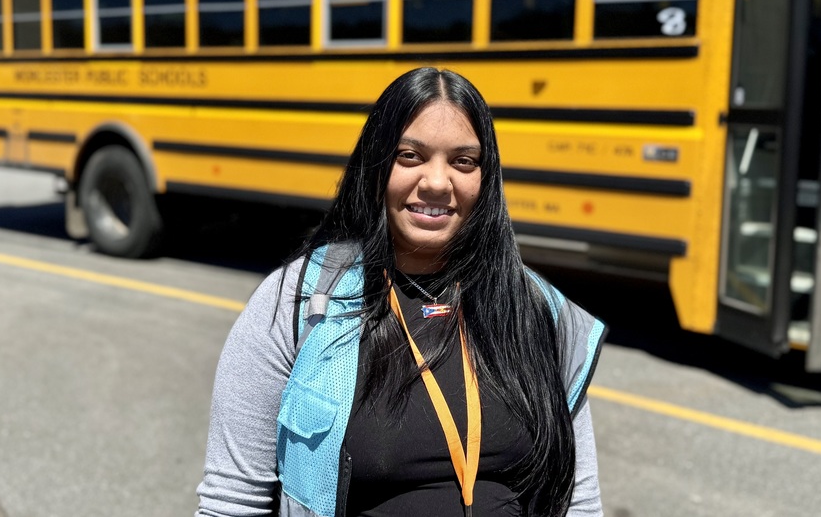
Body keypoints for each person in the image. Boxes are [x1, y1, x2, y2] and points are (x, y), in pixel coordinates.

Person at [196, 67, 606, 517]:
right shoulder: (301, 302)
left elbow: (579, 504)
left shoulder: (537, 312)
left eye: (463, 161)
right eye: (410, 156)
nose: (436, 182)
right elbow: (231, 502)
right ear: (375, 166)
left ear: (486, 180)